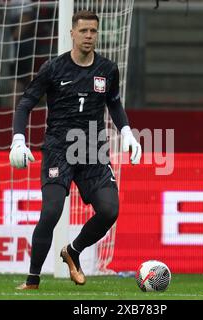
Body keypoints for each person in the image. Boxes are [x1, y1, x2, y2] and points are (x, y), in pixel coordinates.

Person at [9, 10, 142, 289]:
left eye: (93, 31)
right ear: (72, 33)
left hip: (93, 150)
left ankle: (73, 251)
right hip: (59, 149)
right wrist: (18, 139)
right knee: (51, 212)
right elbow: (24, 105)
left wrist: (127, 132)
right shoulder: (53, 68)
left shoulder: (107, 69)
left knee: (109, 210)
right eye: (84, 31)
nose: (89, 36)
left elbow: (114, 104)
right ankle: (33, 279)